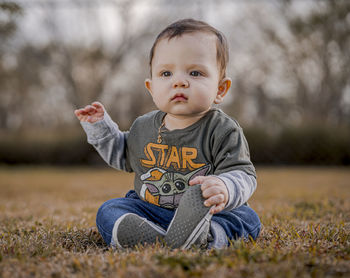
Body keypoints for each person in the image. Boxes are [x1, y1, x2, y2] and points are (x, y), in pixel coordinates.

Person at [74, 18, 260, 250]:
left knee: (246, 219)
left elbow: (243, 173)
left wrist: (224, 187)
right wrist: (100, 126)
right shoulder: (143, 126)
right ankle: (160, 238)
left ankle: (208, 236)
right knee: (109, 210)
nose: (179, 82)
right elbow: (123, 154)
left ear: (220, 89)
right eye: (166, 74)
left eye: (195, 72)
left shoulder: (222, 129)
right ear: (151, 88)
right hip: (151, 211)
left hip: (207, 214)